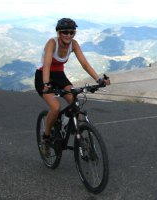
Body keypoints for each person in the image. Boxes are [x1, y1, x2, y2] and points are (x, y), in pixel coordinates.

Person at [34, 18, 110, 155]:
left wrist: (99, 79)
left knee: (75, 103)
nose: (69, 35)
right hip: (43, 76)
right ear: (58, 32)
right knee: (55, 107)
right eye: (65, 32)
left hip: (59, 75)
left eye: (72, 32)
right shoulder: (52, 43)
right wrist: (46, 84)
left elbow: (85, 64)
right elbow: (46, 65)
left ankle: (81, 136)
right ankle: (46, 138)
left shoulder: (73, 44)